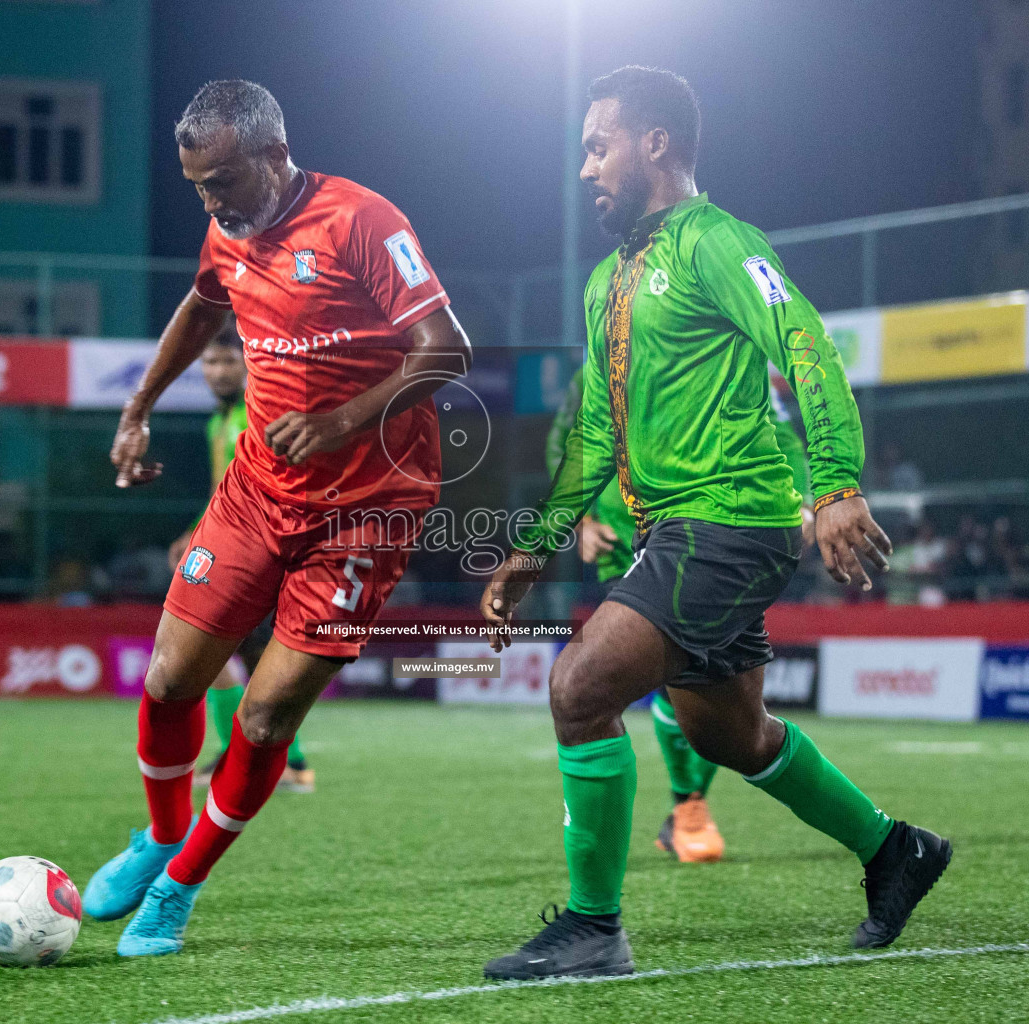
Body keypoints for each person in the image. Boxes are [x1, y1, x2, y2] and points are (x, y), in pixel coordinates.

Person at [479, 66, 950, 980]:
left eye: (598, 145)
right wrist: (536, 547)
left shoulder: (718, 242)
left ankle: (592, 927)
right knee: (728, 735)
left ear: (655, 143)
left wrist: (838, 483)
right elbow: (593, 436)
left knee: (580, 690)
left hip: (728, 521)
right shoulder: (608, 283)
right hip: (680, 532)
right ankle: (897, 851)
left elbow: (804, 340)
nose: (585, 169)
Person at [82, 79, 471, 957]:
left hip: (366, 513)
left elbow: (448, 349)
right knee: (170, 680)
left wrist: (339, 421)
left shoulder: (362, 222)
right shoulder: (231, 224)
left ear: (273, 154)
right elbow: (201, 302)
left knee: (263, 719)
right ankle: (159, 836)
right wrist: (139, 405)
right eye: (198, 189)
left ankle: (179, 889)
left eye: (222, 181)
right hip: (259, 490)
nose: (211, 202)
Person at [546, 369, 812, 864]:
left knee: (714, 686)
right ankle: (686, 810)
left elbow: (784, 438)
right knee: (669, 682)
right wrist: (582, 520)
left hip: (706, 533)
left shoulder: (715, 346)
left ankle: (687, 810)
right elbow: (567, 442)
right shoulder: (596, 363)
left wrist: (810, 503)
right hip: (620, 539)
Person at [166, 324, 315, 794]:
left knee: (252, 650)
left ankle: (287, 762)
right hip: (232, 544)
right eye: (209, 362)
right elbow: (222, 492)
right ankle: (256, 756)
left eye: (228, 360)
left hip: (268, 546)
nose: (217, 371)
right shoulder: (219, 422)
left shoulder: (258, 414)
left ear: (248, 363)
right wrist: (194, 532)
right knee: (218, 649)